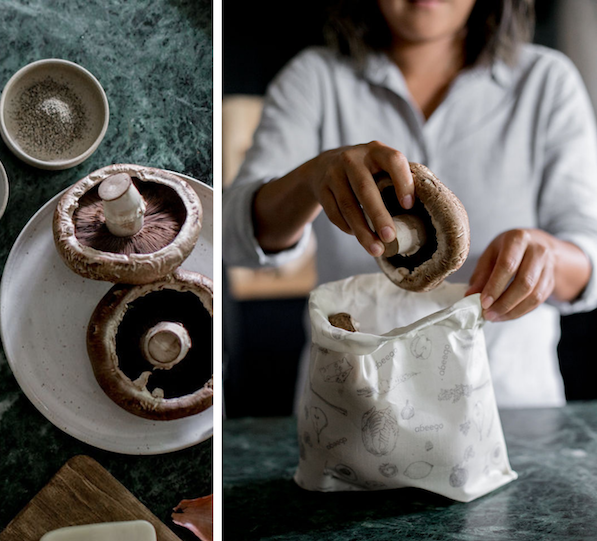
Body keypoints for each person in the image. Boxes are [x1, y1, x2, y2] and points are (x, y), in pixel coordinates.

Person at [223, 0, 597, 408]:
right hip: (351, 406)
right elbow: (232, 237)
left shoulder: (546, 81)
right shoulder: (315, 78)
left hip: (506, 407)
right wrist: (311, 178)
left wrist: (547, 259)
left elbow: (588, 252)